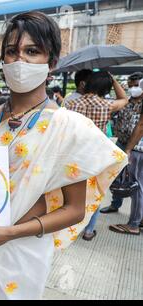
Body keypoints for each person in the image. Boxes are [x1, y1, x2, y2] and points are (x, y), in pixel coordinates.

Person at [0, 11, 127, 300]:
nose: (20, 60)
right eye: (11, 51)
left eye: (32, 51)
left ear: (51, 62)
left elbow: (74, 210)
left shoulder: (69, 126)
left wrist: (9, 233)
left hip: (21, 251)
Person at [66, 71, 128, 240]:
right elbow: (125, 99)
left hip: (74, 155)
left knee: (72, 191)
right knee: (95, 192)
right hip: (96, 156)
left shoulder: (71, 104)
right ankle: (88, 231)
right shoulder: (106, 105)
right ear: (105, 88)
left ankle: (69, 227)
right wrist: (113, 79)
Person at [101, 72, 143, 214]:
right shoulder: (125, 101)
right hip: (120, 143)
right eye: (130, 86)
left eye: (136, 86)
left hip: (137, 147)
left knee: (135, 180)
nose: (133, 89)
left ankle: (137, 214)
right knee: (116, 175)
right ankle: (115, 204)